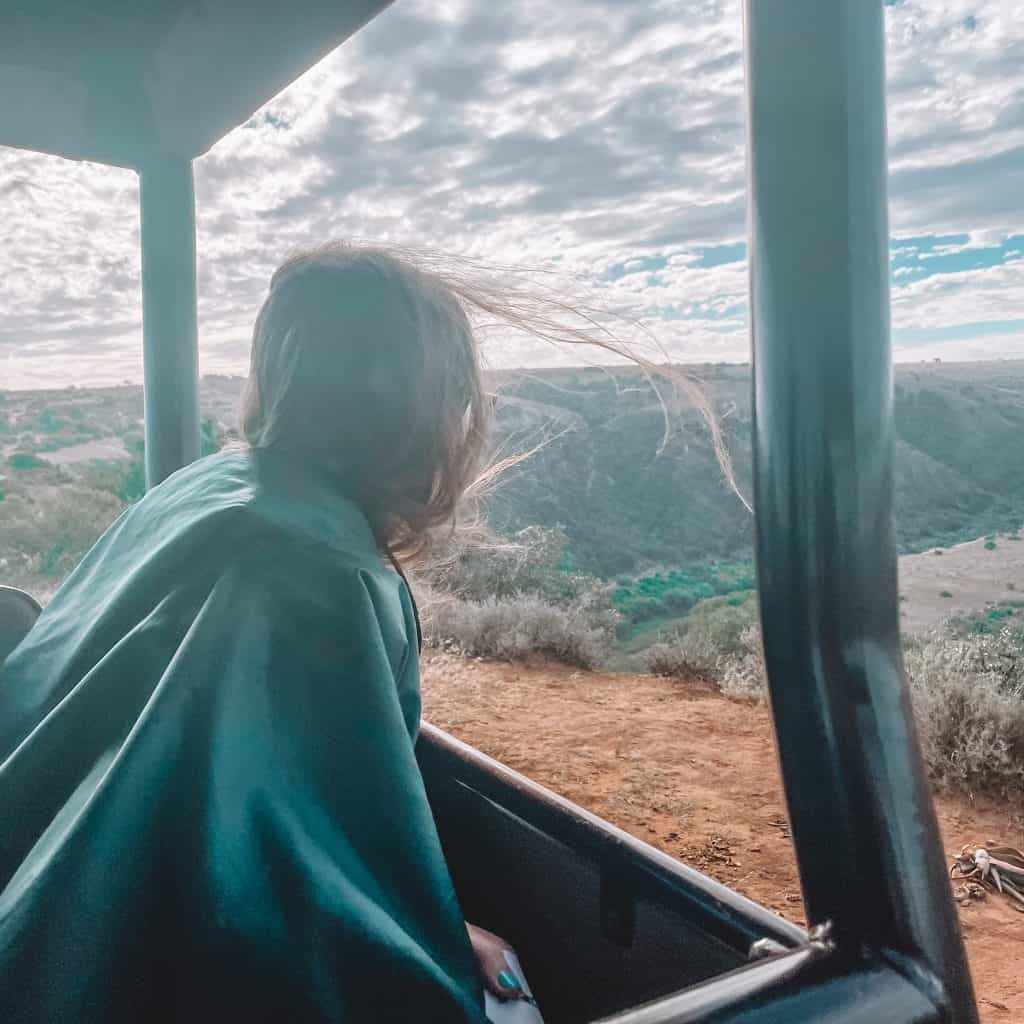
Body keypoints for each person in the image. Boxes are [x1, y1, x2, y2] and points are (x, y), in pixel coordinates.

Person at [0, 245, 540, 1022]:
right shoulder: (324, 575)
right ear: (422, 409)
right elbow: (277, 898)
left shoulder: (195, 490)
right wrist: (435, 944)